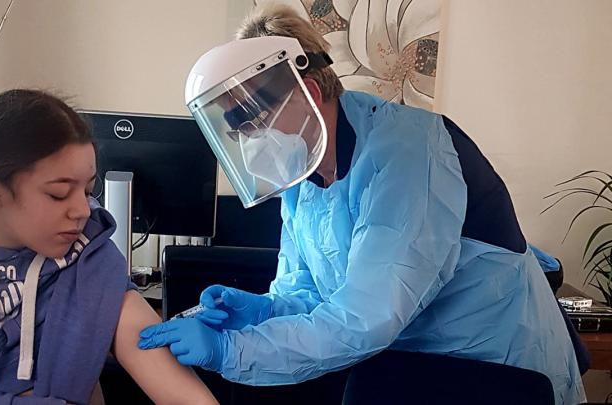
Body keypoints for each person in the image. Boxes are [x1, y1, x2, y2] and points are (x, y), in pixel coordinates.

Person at [137, 5, 585, 404]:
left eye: (252, 118)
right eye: (236, 128)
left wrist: (230, 351)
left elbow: (365, 318)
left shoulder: (410, 153)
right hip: (406, 365)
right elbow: (310, 294)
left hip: (492, 368)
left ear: (309, 93)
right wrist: (262, 310)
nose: (250, 138)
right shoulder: (303, 174)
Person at [0, 89, 218, 405]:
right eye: (59, 193)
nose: (83, 210)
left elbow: (180, 392)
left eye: (88, 189)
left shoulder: (89, 253)